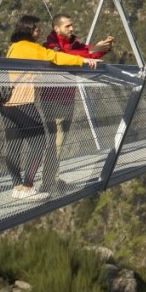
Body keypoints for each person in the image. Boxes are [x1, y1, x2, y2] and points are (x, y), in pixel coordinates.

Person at [0, 15, 98, 200]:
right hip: (23, 101)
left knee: (13, 146)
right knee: (39, 143)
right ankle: (28, 187)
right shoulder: (30, 48)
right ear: (29, 30)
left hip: (7, 103)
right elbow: (54, 57)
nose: (39, 32)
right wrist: (82, 61)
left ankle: (17, 187)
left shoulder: (13, 47)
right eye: (37, 29)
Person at [39, 14, 113, 190]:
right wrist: (91, 51)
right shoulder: (51, 46)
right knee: (55, 143)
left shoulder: (73, 45)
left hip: (67, 98)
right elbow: (66, 57)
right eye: (67, 26)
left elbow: (86, 53)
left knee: (59, 142)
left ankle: (52, 180)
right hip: (52, 100)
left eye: (72, 25)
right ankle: (49, 183)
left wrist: (102, 47)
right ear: (56, 29)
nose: (71, 29)